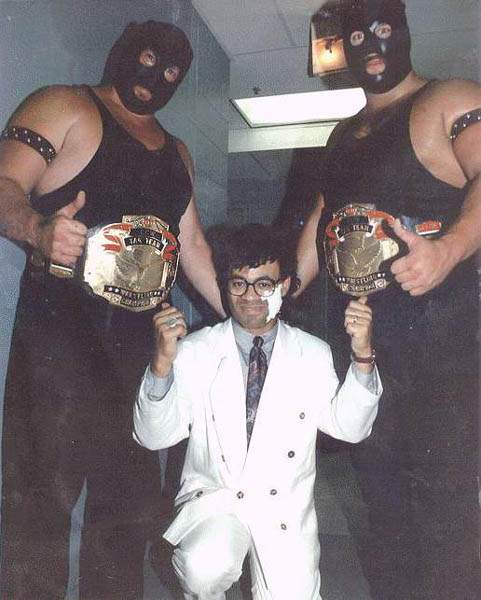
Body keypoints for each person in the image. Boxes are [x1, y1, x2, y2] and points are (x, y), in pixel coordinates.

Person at [0, 20, 224, 600]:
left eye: (172, 71)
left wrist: (243, 313)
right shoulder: (64, 105)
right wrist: (36, 229)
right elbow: (4, 182)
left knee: (127, 512)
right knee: (39, 506)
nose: (156, 77)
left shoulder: (177, 152)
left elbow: (193, 247)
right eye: (148, 58)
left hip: (139, 353)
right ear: (124, 51)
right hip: (59, 342)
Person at [297, 1, 481, 599]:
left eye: (382, 30)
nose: (371, 46)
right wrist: (284, 288)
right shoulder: (342, 134)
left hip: (444, 338)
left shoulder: (449, 98)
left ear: (403, 32)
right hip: (366, 347)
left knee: (445, 505)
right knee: (382, 503)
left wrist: (448, 249)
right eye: (356, 37)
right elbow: (323, 215)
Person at [133, 223, 382, 600]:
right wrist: (162, 365)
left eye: (264, 284)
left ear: (284, 286)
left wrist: (362, 356)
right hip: (216, 502)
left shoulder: (312, 353)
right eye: (239, 284)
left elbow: (349, 429)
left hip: (283, 511)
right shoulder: (195, 351)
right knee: (205, 566)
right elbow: (153, 437)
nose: (250, 296)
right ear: (225, 286)